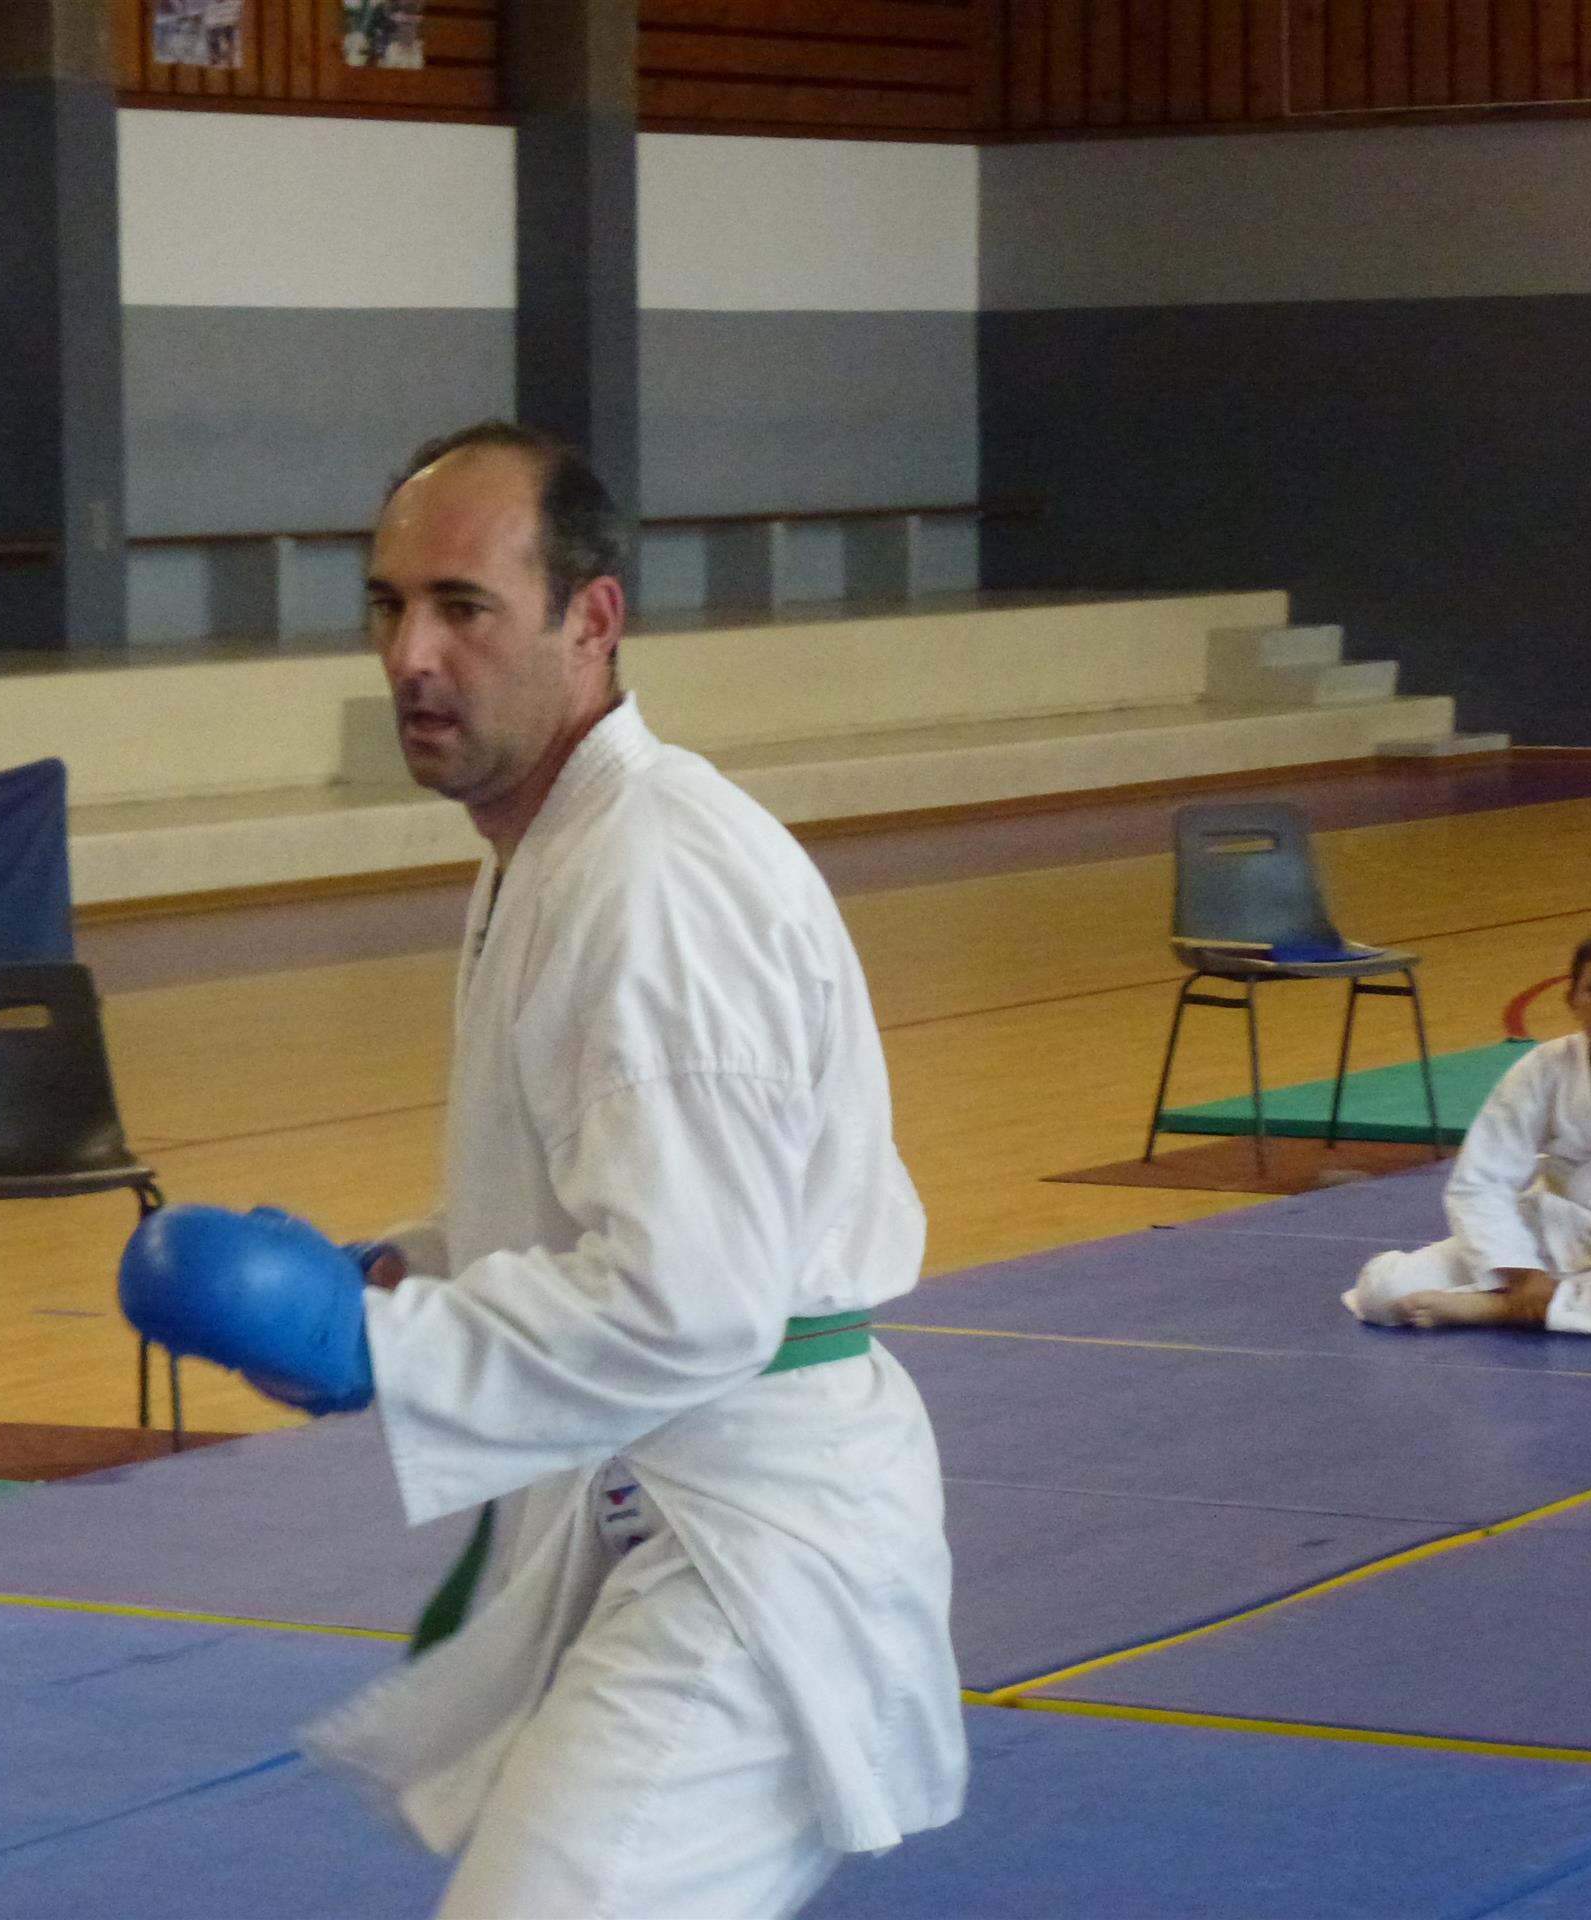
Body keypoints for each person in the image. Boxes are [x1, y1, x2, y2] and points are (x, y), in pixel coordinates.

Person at [121, 422, 966, 1916]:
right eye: (389, 607)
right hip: (655, 1509)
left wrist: (372, 1346)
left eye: (464, 607)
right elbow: (601, 1215)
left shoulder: (653, 880)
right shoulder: (551, 851)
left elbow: (689, 1299)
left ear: (593, 620)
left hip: (745, 1546)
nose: (411, 657)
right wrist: (393, 1276)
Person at [1346, 920, 1591, 1335]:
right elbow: (1481, 1181)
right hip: (1556, 1231)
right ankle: (1550, 1302)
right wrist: (1520, 1270)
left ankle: (1497, 1309)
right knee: (1384, 1294)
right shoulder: (1545, 1069)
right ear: (1572, 999)